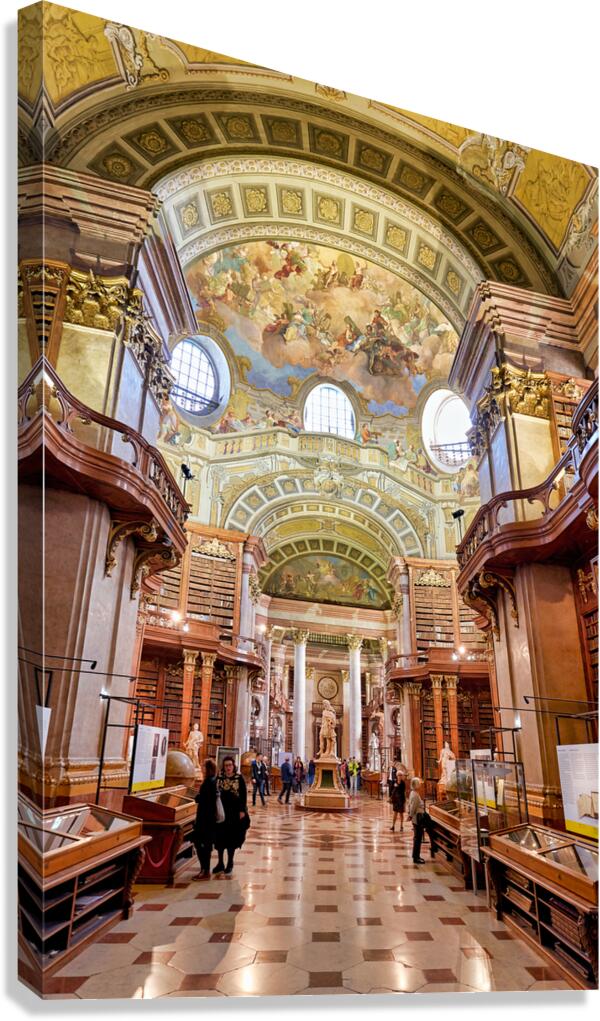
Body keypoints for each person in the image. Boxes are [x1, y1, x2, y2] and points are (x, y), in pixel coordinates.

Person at [214, 756, 249, 874]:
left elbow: (243, 795)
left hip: (234, 812)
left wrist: (242, 811)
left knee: (231, 838)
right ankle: (220, 863)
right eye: (226, 765)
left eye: (230, 765)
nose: (228, 767)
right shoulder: (219, 778)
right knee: (219, 838)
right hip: (221, 812)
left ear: (233, 766)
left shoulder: (239, 778)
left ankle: (230, 862)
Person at [192, 757, 217, 879]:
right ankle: (205, 869)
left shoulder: (208, 783)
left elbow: (205, 800)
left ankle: (205, 870)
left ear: (208, 769)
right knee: (205, 844)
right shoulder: (213, 781)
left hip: (205, 819)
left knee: (201, 844)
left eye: (203, 767)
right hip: (209, 819)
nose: (201, 769)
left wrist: (197, 798)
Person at [407, 776, 438, 864]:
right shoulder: (415, 795)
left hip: (416, 818)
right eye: (419, 783)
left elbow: (410, 806)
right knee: (418, 838)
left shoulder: (412, 793)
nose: (420, 784)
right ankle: (416, 857)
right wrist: (410, 815)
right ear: (416, 785)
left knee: (418, 837)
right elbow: (412, 807)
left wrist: (410, 815)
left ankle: (432, 847)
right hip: (418, 818)